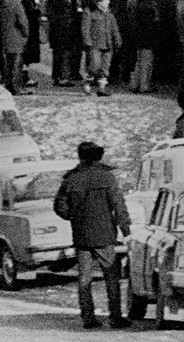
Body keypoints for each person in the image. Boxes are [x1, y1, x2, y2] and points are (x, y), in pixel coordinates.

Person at [53, 141, 132, 330]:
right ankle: (115, 317)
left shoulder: (71, 179)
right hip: (104, 234)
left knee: (84, 277)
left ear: (80, 156)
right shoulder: (107, 178)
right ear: (99, 156)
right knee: (111, 276)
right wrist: (126, 231)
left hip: (81, 235)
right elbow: (119, 207)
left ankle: (88, 317)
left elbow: (59, 206)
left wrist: (73, 216)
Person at [82, 0, 122, 96]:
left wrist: (118, 40)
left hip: (107, 44)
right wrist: (87, 41)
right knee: (94, 66)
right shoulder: (90, 12)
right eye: (105, 0)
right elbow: (85, 28)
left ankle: (101, 87)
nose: (108, 2)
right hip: (95, 44)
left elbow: (114, 29)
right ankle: (88, 82)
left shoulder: (109, 14)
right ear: (99, 2)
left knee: (105, 67)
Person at [0, 0, 29, 95]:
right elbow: (22, 22)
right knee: (17, 64)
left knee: (9, 64)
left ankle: (9, 86)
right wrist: (25, 34)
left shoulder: (5, 3)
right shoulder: (17, 4)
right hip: (16, 37)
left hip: (6, 37)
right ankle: (17, 88)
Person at [128, 0, 159, 93]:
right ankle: (144, 85)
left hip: (140, 37)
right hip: (147, 37)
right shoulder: (147, 5)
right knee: (146, 62)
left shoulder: (139, 2)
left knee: (139, 61)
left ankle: (135, 84)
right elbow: (150, 23)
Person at [20, 0, 43, 88]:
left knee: (26, 56)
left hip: (30, 30)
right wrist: (36, 11)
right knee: (25, 56)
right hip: (29, 30)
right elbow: (29, 13)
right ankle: (24, 77)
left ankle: (25, 76)